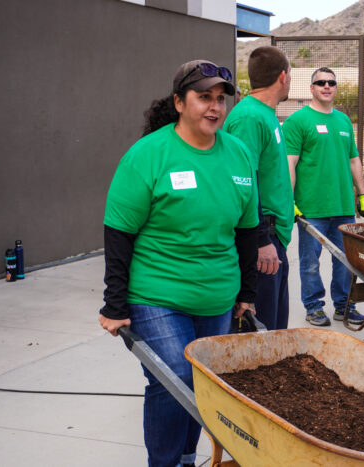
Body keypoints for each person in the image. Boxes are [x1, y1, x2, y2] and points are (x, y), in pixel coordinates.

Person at [99, 60, 259, 466]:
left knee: (202, 385)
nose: (215, 107)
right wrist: (114, 303)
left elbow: (246, 231)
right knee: (173, 381)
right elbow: (119, 232)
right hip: (158, 294)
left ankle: (187, 457)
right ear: (178, 102)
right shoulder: (149, 155)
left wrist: (247, 293)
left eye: (221, 99)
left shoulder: (238, 154)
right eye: (204, 97)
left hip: (217, 297)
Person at [283, 67, 364, 327]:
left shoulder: (343, 121)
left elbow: (353, 159)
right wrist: (291, 201)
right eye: (320, 82)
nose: (326, 86)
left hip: (343, 205)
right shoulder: (298, 121)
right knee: (310, 263)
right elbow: (290, 162)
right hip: (312, 208)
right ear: (311, 88)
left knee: (345, 262)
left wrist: (362, 194)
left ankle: (344, 305)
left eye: (331, 82)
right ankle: (313, 306)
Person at [224, 46, 294, 330]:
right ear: (282, 76)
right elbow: (242, 183)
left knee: (276, 330)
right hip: (262, 240)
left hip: (275, 236)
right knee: (258, 336)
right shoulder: (248, 118)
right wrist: (261, 240)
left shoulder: (265, 114)